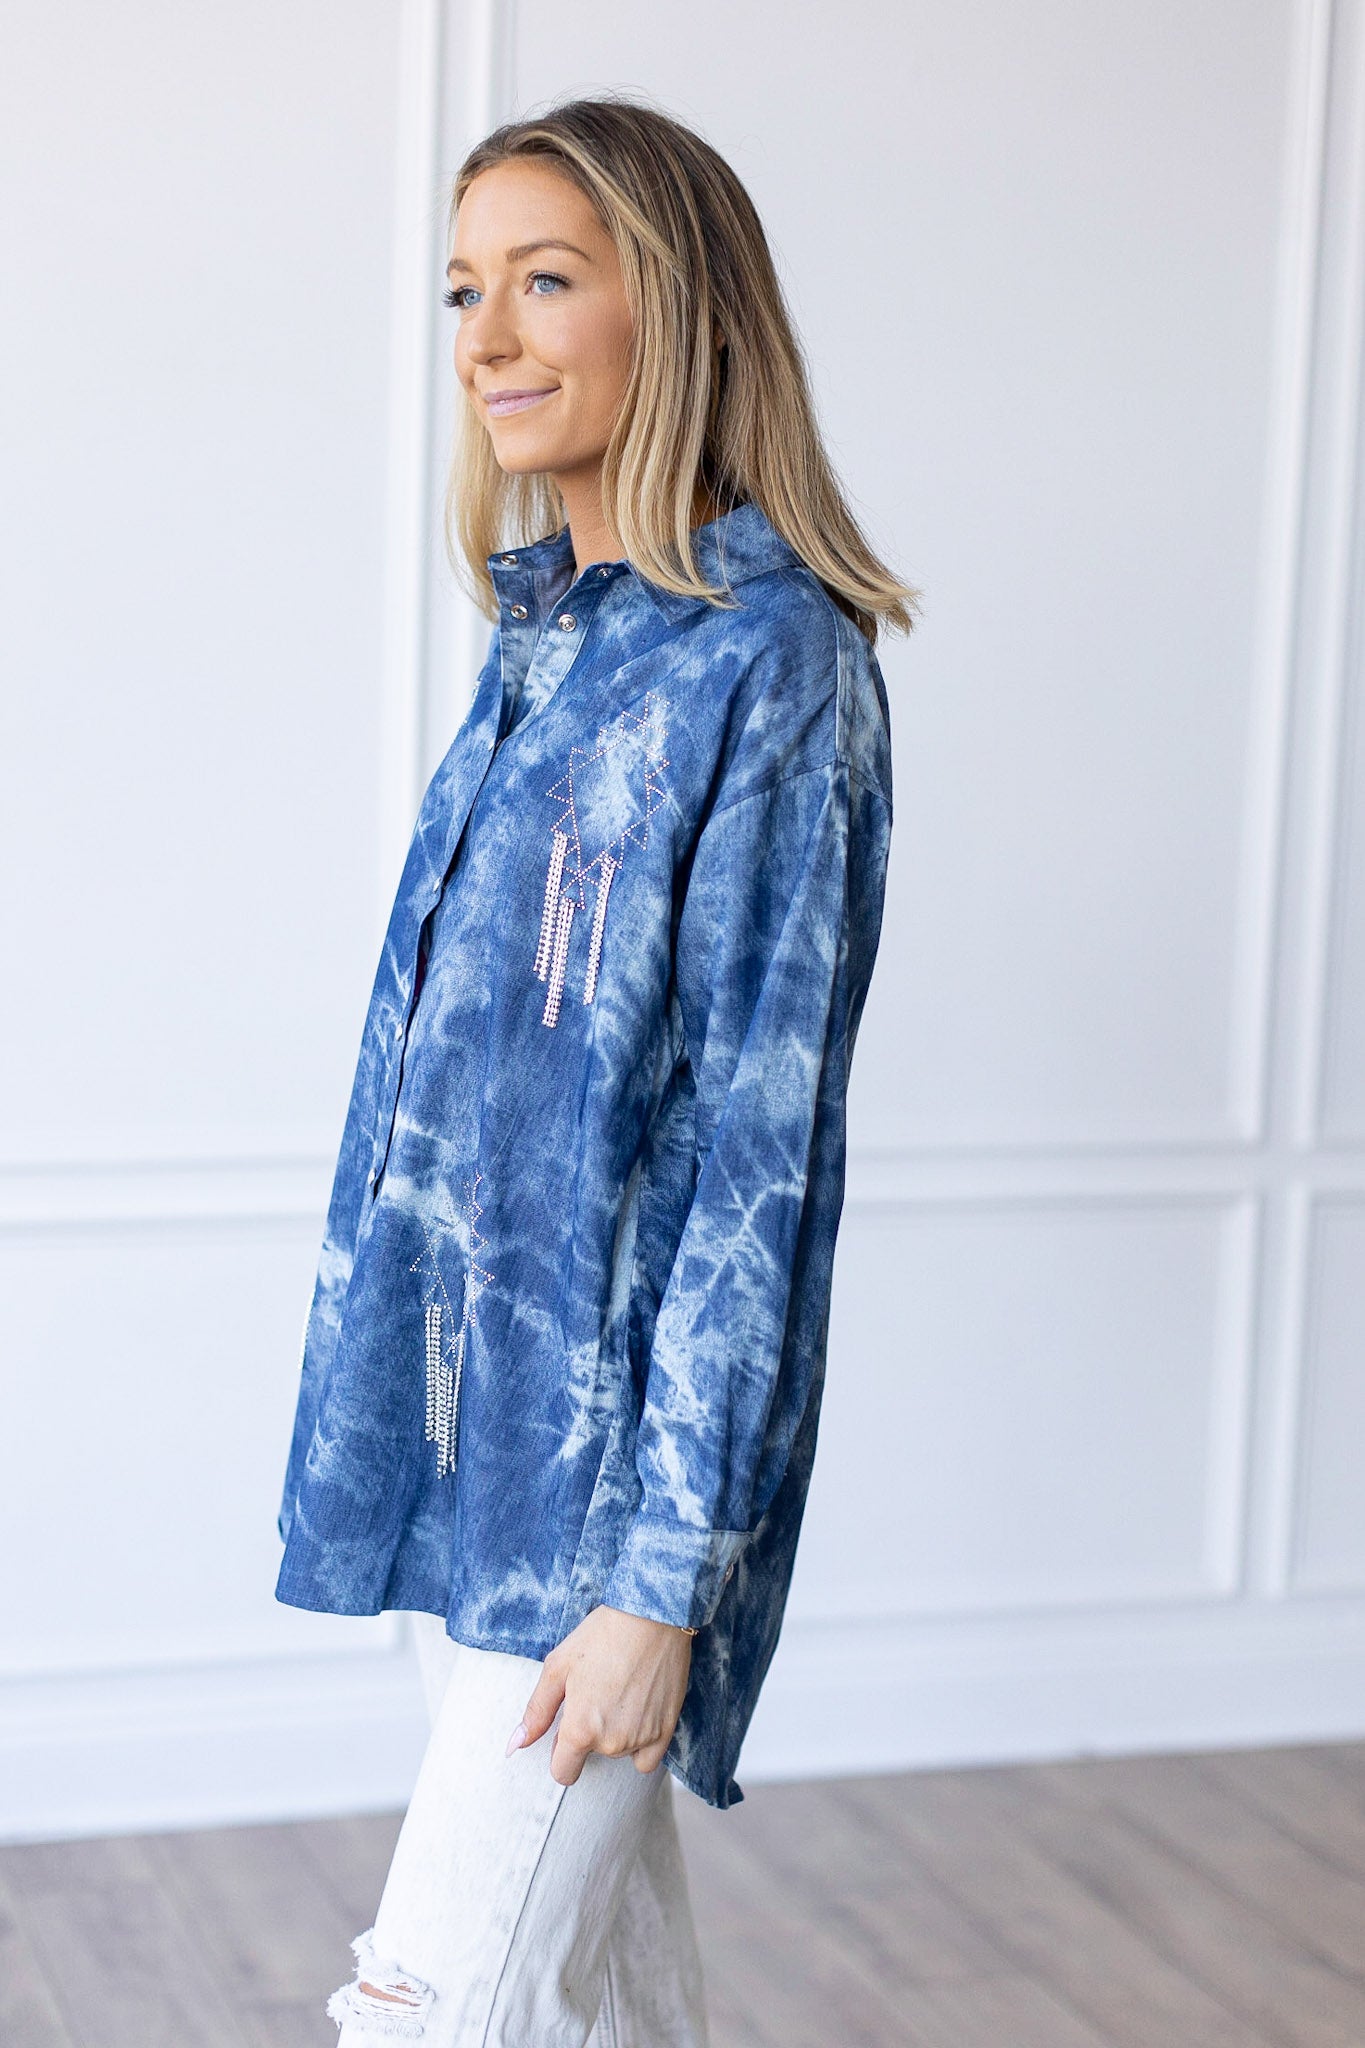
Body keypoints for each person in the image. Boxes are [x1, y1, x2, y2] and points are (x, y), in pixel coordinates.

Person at [275, 94, 917, 2048]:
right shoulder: (546, 646)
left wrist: (659, 1584)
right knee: (585, 2013)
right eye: (463, 288)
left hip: (604, 1511)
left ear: (680, 311)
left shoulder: (768, 662)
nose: (485, 338)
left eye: (544, 280)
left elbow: (752, 1173)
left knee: (425, 2011)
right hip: (468, 1459)